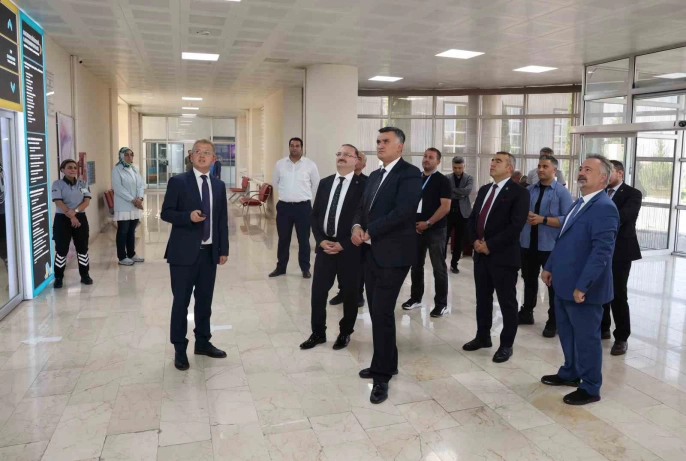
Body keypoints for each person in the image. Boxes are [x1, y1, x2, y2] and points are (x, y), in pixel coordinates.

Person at [541, 154, 619, 406]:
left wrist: (582, 285)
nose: (581, 172)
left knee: (586, 339)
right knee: (567, 333)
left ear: (603, 178)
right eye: (581, 168)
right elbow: (563, 238)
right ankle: (571, 372)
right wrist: (549, 266)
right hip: (563, 282)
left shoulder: (605, 208)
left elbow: (601, 253)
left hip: (583, 289)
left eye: (588, 170)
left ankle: (590, 386)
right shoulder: (579, 202)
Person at [351, 127, 422, 404]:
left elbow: (403, 211)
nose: (380, 145)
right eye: (378, 141)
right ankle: (388, 363)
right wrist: (357, 227)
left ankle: (381, 375)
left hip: (394, 255)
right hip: (371, 252)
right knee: (378, 311)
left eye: (386, 141)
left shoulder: (410, 173)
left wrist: (370, 230)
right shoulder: (375, 175)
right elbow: (361, 208)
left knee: (381, 312)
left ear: (400, 146)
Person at [161, 139, 229, 371]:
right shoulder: (178, 182)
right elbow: (166, 213)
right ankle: (180, 348)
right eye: (198, 152)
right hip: (182, 254)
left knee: (205, 301)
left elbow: (221, 219)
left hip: (209, 254)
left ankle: (203, 342)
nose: (202, 156)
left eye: (207, 152)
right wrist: (187, 217)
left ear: (213, 158)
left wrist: (223, 249)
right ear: (191, 156)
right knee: (181, 302)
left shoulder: (218, 185)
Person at [462, 152, 529, 363]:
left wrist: (489, 245)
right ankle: (483, 337)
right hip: (481, 255)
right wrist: (475, 241)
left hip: (503, 257)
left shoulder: (519, 193)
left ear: (509, 168)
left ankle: (506, 344)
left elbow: (516, 226)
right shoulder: (484, 190)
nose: (492, 163)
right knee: (482, 299)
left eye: (498, 161)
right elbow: (473, 219)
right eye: (492, 160)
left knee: (507, 302)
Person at [300, 144, 367, 351]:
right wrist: (320, 240)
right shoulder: (326, 183)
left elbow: (366, 219)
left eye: (347, 154)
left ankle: (345, 332)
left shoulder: (365, 185)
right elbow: (315, 216)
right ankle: (318, 333)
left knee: (350, 295)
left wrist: (343, 244)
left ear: (356, 160)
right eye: (339, 154)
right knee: (318, 293)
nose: (342, 157)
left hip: (351, 250)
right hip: (325, 247)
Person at [518, 155, 573, 337]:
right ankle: (527, 312)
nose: (540, 169)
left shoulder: (562, 193)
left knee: (552, 285)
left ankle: (553, 321)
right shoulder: (529, 190)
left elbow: (568, 219)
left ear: (554, 170)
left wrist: (543, 220)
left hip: (550, 246)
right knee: (528, 280)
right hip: (528, 243)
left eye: (545, 166)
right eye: (539, 166)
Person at [402, 148, 452, 317]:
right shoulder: (416, 178)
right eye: (425, 156)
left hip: (435, 230)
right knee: (416, 265)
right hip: (416, 229)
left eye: (431, 157)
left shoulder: (443, 181)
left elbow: (445, 207)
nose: (426, 159)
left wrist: (428, 223)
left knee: (438, 268)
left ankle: (441, 304)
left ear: (438, 161)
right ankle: (416, 298)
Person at [601, 160, 642, 356]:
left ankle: (621, 337)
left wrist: (599, 217)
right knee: (600, 289)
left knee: (618, 293)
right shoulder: (600, 192)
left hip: (621, 250)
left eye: (609, 172)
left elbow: (624, 216)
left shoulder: (633, 194)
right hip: (600, 248)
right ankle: (603, 328)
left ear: (620, 173)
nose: (605, 176)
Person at [269, 138, 320, 279]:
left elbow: (316, 184)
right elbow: (275, 182)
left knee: (304, 240)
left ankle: (305, 268)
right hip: (284, 207)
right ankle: (281, 267)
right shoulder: (280, 164)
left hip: (303, 208)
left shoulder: (310, 165)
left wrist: (304, 195)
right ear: (289, 147)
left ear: (301, 148)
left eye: (297, 146)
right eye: (292, 145)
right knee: (283, 239)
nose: (294, 148)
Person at [330, 150, 368, 306]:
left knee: (358, 267)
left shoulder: (367, 182)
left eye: (360, 159)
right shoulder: (340, 181)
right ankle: (342, 292)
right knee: (341, 265)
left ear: (363, 164)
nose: (357, 160)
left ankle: (358, 294)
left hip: (358, 232)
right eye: (356, 157)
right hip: (341, 231)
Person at [51, 159, 93, 288]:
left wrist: (75, 212)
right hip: (62, 219)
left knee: (82, 248)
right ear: (62, 170)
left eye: (75, 167)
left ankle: (85, 275)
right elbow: (58, 201)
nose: (73, 170)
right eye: (69, 167)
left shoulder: (83, 184)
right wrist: (70, 215)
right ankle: (58, 277)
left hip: (80, 217)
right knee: (61, 249)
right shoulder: (57, 184)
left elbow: (86, 201)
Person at [112, 147, 145, 266]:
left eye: (131, 154)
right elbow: (118, 188)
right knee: (123, 231)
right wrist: (133, 200)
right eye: (126, 155)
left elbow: (141, 184)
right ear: (121, 156)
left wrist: (140, 198)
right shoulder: (117, 170)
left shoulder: (134, 169)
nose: (129, 157)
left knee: (131, 231)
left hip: (135, 206)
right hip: (124, 206)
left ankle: (131, 254)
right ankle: (122, 257)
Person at [445, 156, 473, 274]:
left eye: (460, 168)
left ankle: (454, 264)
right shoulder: (447, 178)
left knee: (459, 240)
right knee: (444, 239)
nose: (457, 170)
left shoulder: (469, 178)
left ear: (464, 166)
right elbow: (446, 192)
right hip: (448, 212)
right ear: (452, 166)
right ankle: (442, 263)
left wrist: (453, 190)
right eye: (455, 167)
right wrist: (460, 193)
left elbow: (467, 191)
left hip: (463, 214)